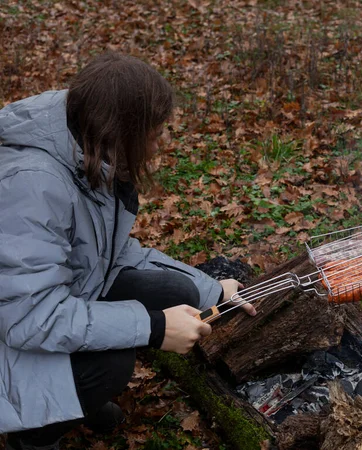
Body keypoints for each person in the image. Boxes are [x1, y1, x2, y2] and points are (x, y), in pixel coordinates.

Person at [0, 52, 256, 450]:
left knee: (178, 294)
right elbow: (29, 318)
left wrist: (212, 290)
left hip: (48, 305)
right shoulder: (32, 185)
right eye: (154, 132)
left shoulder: (85, 148)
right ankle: (32, 435)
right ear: (121, 130)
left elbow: (112, 254)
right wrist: (153, 327)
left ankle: (75, 401)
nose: (160, 141)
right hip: (14, 334)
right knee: (113, 362)